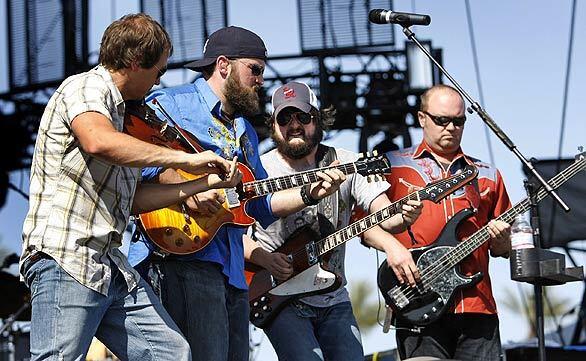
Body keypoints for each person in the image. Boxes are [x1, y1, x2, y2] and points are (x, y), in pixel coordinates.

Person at [20, 13, 244, 361]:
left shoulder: (127, 119)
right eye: (159, 71)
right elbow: (97, 141)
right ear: (136, 62)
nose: (158, 82)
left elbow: (135, 200)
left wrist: (197, 185)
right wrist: (184, 159)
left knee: (171, 354)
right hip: (67, 256)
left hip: (110, 263)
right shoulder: (86, 87)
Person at [127, 27, 346, 361]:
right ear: (224, 65)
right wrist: (184, 187)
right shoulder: (170, 105)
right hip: (185, 256)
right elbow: (133, 164)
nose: (260, 79)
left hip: (232, 274)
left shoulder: (245, 131)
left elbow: (257, 204)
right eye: (254, 69)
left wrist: (310, 193)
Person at [244, 81, 423, 361]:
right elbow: (228, 232)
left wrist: (405, 214)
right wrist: (265, 259)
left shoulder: (345, 162)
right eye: (284, 117)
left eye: (303, 116)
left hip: (334, 297)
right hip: (278, 295)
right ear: (273, 124)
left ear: (318, 119)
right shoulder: (259, 169)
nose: (294, 125)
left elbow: (386, 216)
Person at [379, 84, 512, 360]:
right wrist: (393, 248)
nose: (450, 127)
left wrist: (502, 240)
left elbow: (502, 249)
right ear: (421, 118)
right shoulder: (392, 166)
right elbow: (364, 226)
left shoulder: (488, 174)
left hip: (477, 306)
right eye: (441, 120)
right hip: (417, 302)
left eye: (459, 121)